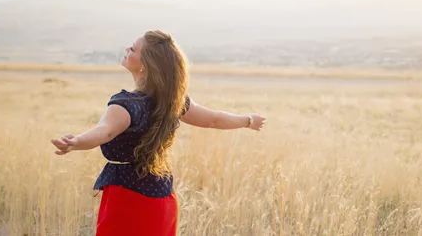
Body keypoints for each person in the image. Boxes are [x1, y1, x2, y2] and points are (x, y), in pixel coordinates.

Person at [51, 30, 266, 236]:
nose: (127, 48)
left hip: (127, 198)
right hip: (162, 196)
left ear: (145, 65)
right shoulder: (171, 101)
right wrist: (248, 121)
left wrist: (76, 141)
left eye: (133, 49)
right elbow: (214, 119)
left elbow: (104, 132)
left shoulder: (125, 104)